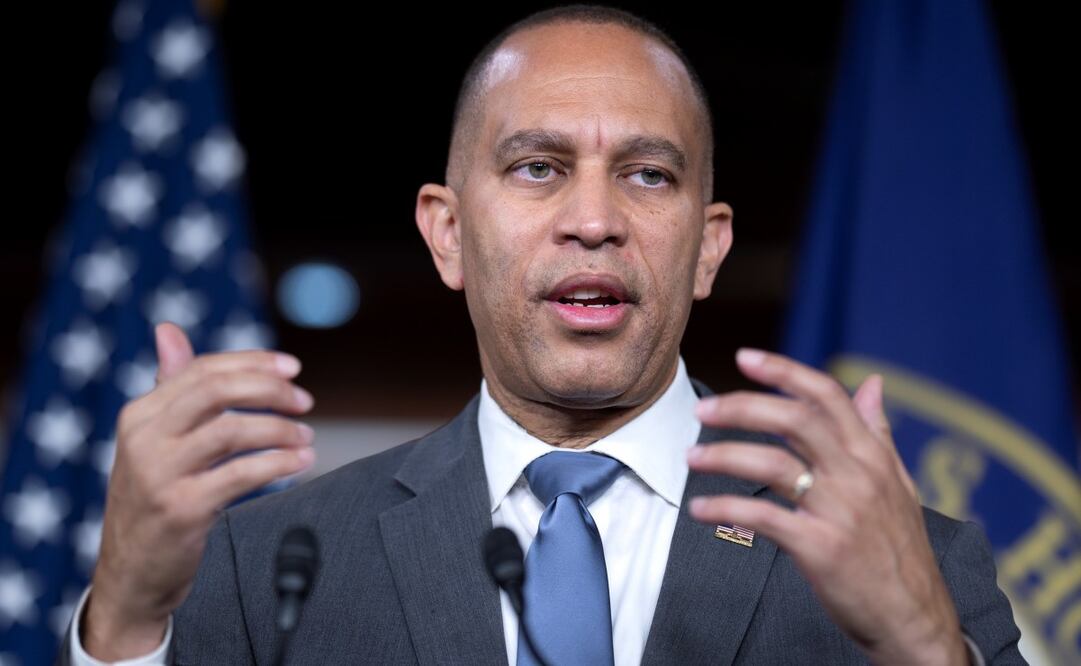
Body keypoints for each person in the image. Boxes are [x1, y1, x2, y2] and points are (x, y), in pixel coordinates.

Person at [60, 5, 1023, 664]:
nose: (593, 219)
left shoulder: (913, 562)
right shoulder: (271, 558)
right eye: (535, 168)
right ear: (447, 233)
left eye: (648, 174)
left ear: (707, 247)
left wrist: (921, 645)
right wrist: (127, 623)